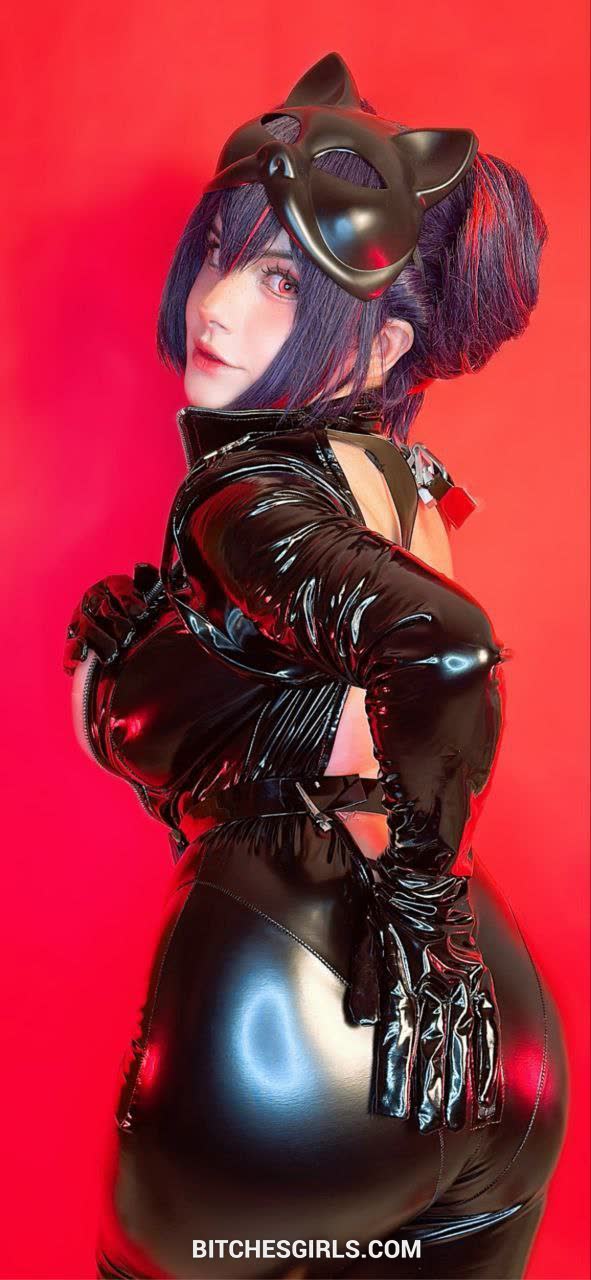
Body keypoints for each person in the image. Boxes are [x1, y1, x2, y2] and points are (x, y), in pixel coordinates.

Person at [64, 53, 569, 1280]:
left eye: (283, 279)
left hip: (300, 1037)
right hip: (495, 1063)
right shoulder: (395, 485)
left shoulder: (246, 495)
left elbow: (443, 649)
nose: (219, 303)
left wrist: (426, 922)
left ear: (381, 345)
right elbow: (364, 709)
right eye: (223, 254)